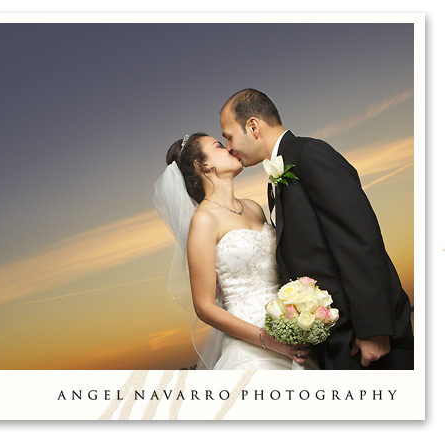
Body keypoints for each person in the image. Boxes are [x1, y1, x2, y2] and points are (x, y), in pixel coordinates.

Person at [219, 88, 414, 369]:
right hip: (332, 338)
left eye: (228, 136)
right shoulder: (277, 178)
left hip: (361, 334)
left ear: (253, 126)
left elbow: (360, 239)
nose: (228, 146)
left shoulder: (310, 154)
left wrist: (373, 329)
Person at [154, 132, 317, 370]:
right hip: (252, 351)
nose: (230, 149)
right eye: (219, 146)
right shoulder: (204, 220)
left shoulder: (252, 207)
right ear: (203, 165)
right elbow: (204, 307)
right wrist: (267, 340)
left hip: (292, 335)